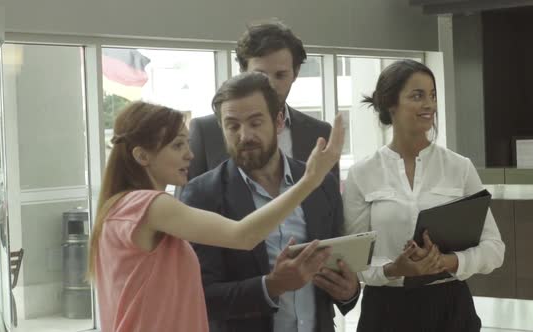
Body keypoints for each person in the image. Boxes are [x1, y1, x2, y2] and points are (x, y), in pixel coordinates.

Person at [87, 98, 344, 332]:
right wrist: (310, 181)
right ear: (142, 155)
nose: (190, 154)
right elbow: (242, 235)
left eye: (187, 142)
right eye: (177, 145)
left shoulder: (119, 209)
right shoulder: (150, 205)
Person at [180, 72, 359, 332]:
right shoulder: (202, 195)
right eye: (232, 126)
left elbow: (338, 264)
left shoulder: (321, 182)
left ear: (277, 122)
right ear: (222, 129)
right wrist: (272, 285)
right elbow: (202, 297)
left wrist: (349, 291)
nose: (244, 135)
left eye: (255, 122)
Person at [342, 59, 505, 332]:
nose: (429, 105)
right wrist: (394, 269)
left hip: (451, 309)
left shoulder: (459, 167)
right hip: (385, 311)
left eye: (432, 96)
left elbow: (494, 249)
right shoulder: (362, 173)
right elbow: (354, 262)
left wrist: (448, 261)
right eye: (417, 96)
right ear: (390, 103)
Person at [187, 20, 339, 181]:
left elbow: (329, 202)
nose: (270, 85)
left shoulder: (319, 134)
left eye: (280, 75)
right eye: (260, 75)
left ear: (295, 73)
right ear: (243, 71)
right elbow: (185, 202)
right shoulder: (206, 132)